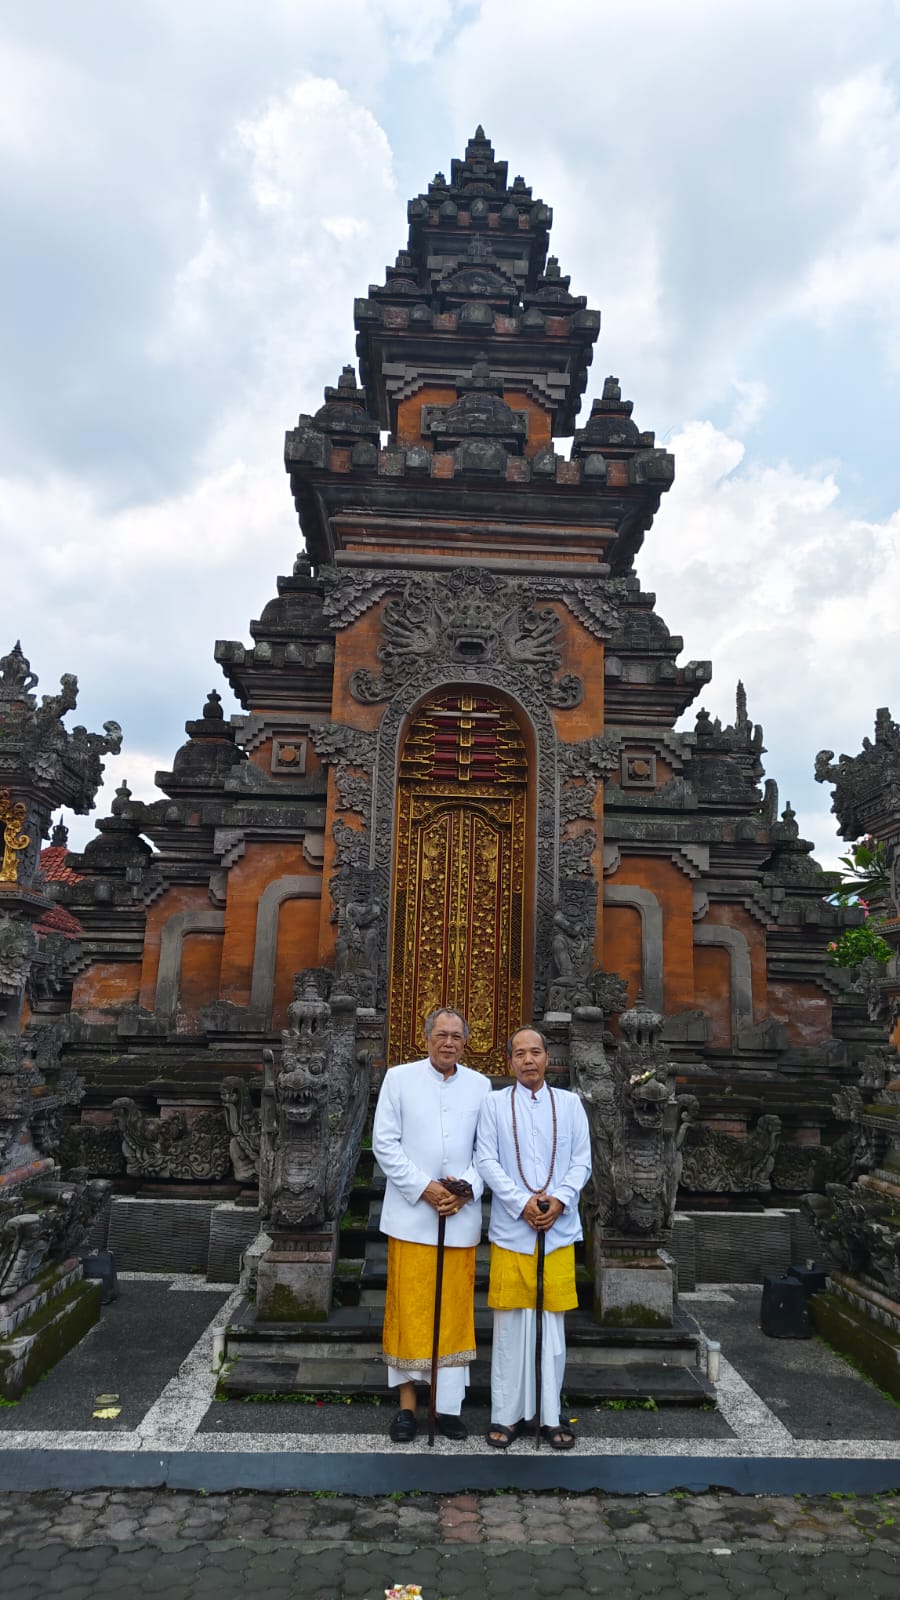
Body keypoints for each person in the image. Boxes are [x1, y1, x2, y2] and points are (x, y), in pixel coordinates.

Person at [372, 1006, 491, 1443]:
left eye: (456, 1036)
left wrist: (466, 1190)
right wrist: (423, 1188)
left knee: (454, 1312)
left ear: (465, 1042)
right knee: (409, 1310)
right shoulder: (399, 1079)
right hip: (411, 1215)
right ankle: (406, 1406)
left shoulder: (480, 1087)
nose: (448, 1043)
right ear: (425, 1038)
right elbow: (385, 1142)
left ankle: (446, 1407)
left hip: (458, 1218)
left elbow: (487, 1152)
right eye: (441, 1035)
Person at [476, 1025, 591, 1450]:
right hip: (512, 1230)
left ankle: (549, 1415)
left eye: (536, 1052)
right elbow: (485, 1159)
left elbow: (581, 1161)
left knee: (552, 1328)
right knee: (510, 1329)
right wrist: (521, 1202)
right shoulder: (493, 1104)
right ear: (509, 1062)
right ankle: (506, 1417)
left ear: (548, 1059)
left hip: (557, 1233)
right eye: (520, 1053)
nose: (528, 1060)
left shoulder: (571, 1103)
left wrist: (559, 1201)